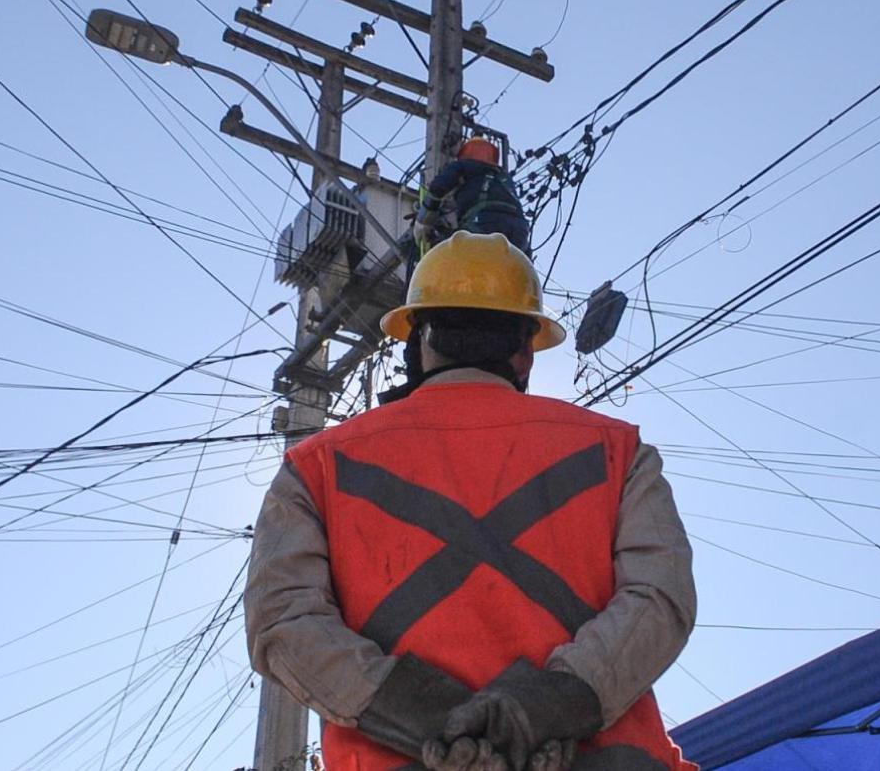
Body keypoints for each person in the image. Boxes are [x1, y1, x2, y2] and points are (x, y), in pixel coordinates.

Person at [247, 231, 698, 771]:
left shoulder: (315, 467)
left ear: (417, 343)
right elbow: (660, 599)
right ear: (525, 351)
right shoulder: (619, 451)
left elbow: (283, 620)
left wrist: (436, 721)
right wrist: (545, 707)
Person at [414, 138, 531, 257]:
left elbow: (438, 187)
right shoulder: (504, 179)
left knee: (458, 256)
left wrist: (424, 220)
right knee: (510, 269)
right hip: (520, 232)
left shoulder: (464, 166)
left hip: (485, 223)